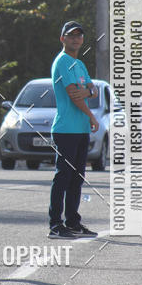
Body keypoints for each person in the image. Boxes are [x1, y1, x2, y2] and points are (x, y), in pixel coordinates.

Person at [48, 20, 99, 238]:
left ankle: (73, 222)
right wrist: (91, 115)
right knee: (63, 176)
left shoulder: (80, 64)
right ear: (63, 39)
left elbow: (92, 89)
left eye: (79, 35)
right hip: (66, 128)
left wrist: (88, 91)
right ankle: (55, 225)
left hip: (80, 130)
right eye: (71, 35)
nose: (76, 39)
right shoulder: (63, 61)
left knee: (77, 178)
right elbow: (74, 94)